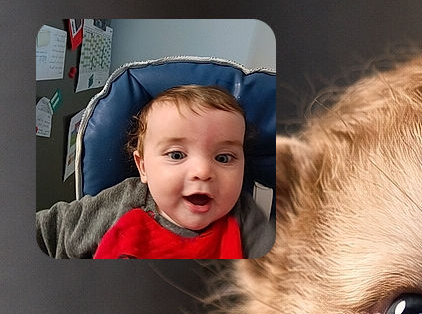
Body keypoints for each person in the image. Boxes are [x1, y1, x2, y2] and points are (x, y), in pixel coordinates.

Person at [36, 85, 274, 259]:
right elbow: (47, 233)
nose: (203, 172)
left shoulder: (245, 220)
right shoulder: (122, 202)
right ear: (143, 167)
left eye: (223, 158)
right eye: (177, 155)